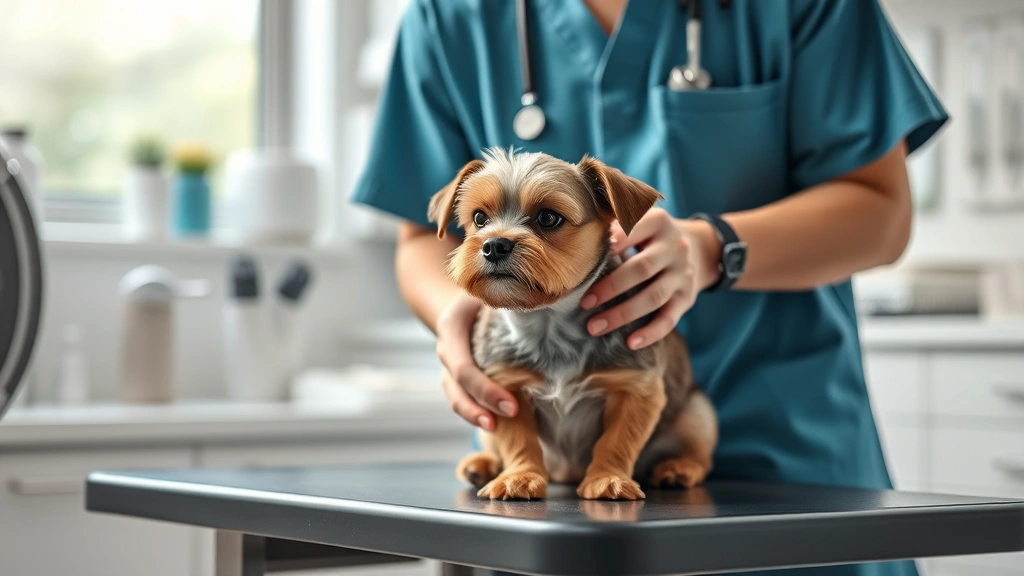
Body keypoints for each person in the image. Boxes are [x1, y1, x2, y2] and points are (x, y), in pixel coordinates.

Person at [351, 1, 948, 574]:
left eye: (548, 219)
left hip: (787, 459)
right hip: (545, 492)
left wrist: (714, 248)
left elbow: (882, 211)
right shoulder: (449, 14)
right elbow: (422, 237)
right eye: (483, 221)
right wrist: (461, 316)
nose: (497, 236)